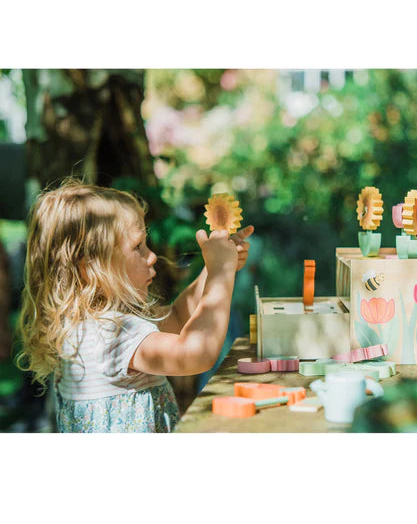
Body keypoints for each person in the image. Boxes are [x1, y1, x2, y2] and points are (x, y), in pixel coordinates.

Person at [16, 179, 254, 432]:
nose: (152, 256)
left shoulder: (95, 323)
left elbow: (175, 318)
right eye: (137, 247)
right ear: (90, 268)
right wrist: (220, 273)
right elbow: (194, 354)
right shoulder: (112, 333)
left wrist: (212, 268)